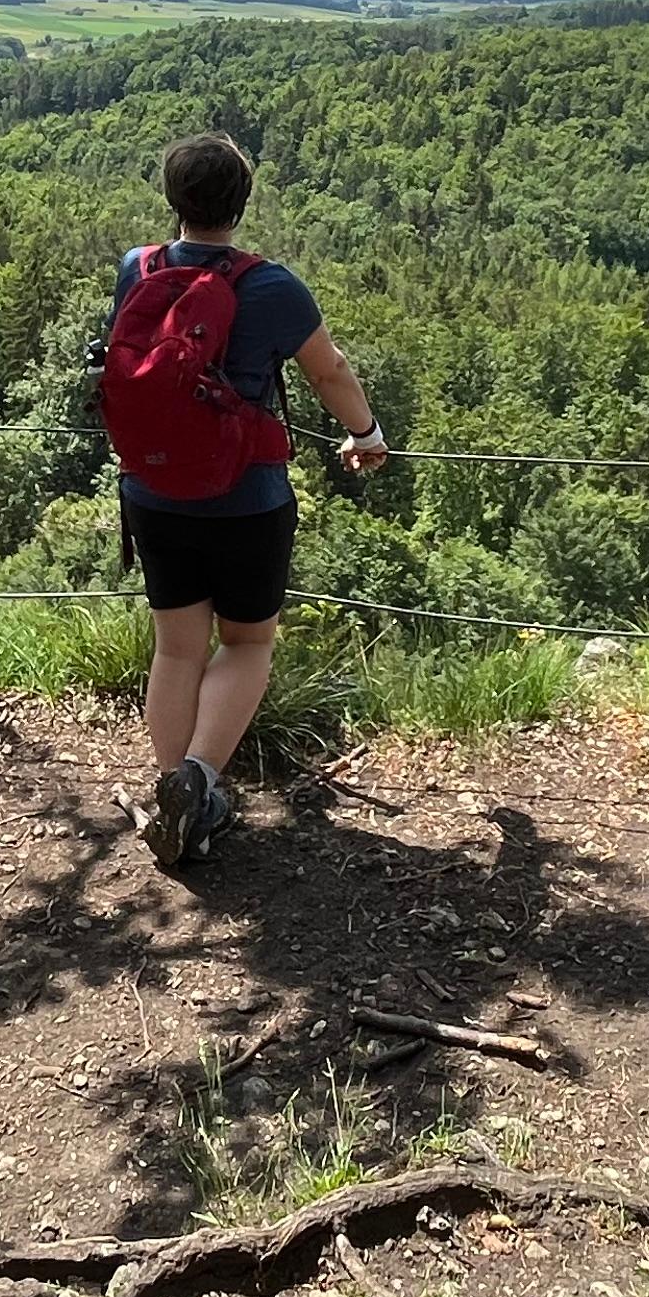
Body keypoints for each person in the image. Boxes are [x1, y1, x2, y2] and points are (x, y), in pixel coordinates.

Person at [108, 131, 387, 866]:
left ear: (174, 200)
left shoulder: (136, 268)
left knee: (175, 648)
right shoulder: (272, 286)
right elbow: (329, 373)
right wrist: (366, 432)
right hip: (246, 497)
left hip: (154, 489)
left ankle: (177, 792)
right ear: (243, 202)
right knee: (247, 642)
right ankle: (199, 783)